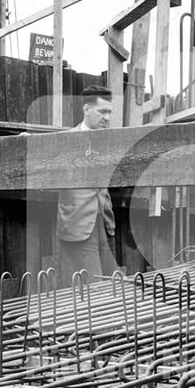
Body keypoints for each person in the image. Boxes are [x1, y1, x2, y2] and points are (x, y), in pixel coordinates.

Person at [56, 86, 119, 285]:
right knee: (91, 290)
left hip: (105, 225)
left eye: (110, 112)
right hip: (78, 225)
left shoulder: (111, 141)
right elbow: (39, 152)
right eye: (102, 112)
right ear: (86, 110)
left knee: (113, 286)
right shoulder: (66, 140)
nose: (107, 118)